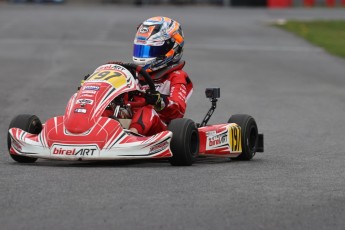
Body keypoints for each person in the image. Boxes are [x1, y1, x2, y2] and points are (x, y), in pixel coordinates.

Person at [108, 16, 193, 136]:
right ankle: (86, 132)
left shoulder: (177, 76)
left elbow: (178, 110)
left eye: (150, 51)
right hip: (130, 119)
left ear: (172, 48)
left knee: (147, 110)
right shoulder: (134, 74)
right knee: (106, 107)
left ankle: (132, 136)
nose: (143, 56)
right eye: (140, 49)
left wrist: (160, 101)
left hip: (162, 128)